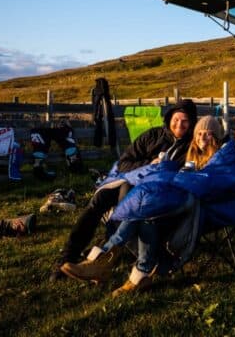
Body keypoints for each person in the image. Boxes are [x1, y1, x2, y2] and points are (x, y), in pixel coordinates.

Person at [60, 116, 235, 297]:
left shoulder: (226, 155)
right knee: (146, 215)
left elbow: (210, 183)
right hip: (186, 201)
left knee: (147, 207)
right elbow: (183, 177)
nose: (202, 137)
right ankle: (138, 274)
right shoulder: (192, 155)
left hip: (209, 207)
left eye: (208, 133)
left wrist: (178, 179)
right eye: (199, 133)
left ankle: (106, 258)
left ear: (218, 136)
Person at [49, 99, 197, 281]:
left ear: (191, 124)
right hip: (129, 178)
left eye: (185, 121)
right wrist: (148, 164)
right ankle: (68, 256)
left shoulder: (190, 147)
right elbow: (125, 163)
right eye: (176, 119)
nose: (179, 125)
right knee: (98, 200)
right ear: (169, 118)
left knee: (126, 200)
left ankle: (105, 254)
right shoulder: (152, 136)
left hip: (151, 190)